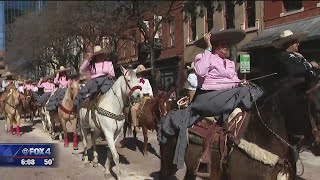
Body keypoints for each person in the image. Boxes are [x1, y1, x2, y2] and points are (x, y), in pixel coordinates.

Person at [157, 29, 264, 169]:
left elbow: (234, 80)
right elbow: (200, 72)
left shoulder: (230, 63)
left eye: (227, 44)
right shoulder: (203, 56)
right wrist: (207, 48)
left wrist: (240, 82)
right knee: (245, 92)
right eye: (222, 44)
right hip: (207, 98)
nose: (226, 47)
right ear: (214, 45)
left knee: (254, 89)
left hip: (226, 96)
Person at [73, 45, 115, 110]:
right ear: (95, 56)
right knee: (83, 91)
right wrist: (88, 58)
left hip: (106, 80)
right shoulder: (92, 64)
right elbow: (82, 69)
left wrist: (110, 75)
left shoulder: (108, 63)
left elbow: (112, 74)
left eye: (101, 55)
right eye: (98, 55)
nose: (100, 56)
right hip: (94, 81)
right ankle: (77, 108)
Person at [130, 64, 153, 132]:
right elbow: (134, 91)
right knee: (133, 109)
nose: (142, 74)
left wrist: (151, 95)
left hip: (148, 98)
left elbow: (150, 89)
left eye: (143, 72)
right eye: (141, 72)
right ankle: (135, 125)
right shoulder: (134, 81)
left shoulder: (146, 81)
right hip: (140, 99)